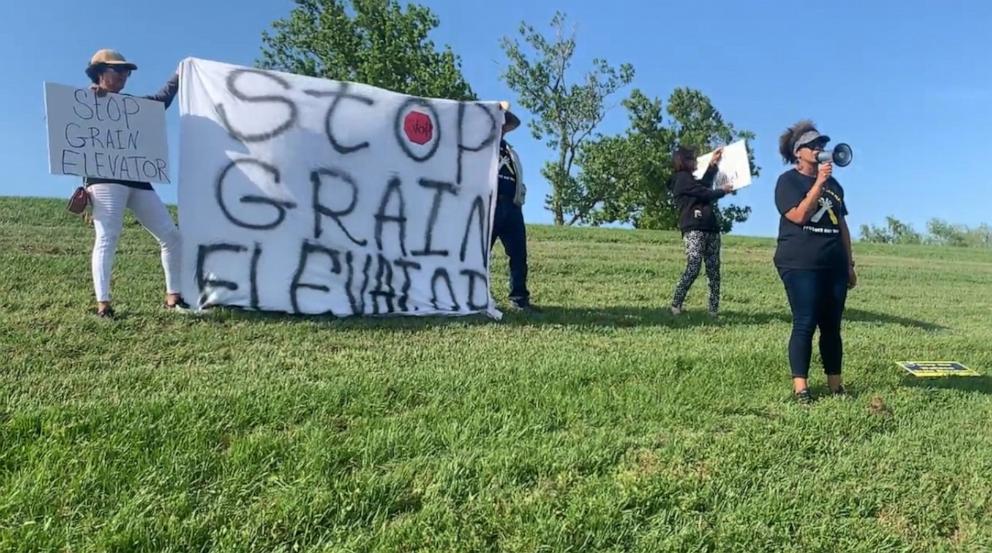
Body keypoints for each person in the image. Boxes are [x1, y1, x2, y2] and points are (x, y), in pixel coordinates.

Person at [83, 49, 186, 318]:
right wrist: (89, 97)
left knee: (171, 236)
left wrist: (179, 74)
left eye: (126, 72)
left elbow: (161, 101)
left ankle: (173, 298)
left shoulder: (131, 106)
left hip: (137, 178)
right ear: (100, 73)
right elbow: (65, 131)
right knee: (107, 237)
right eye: (118, 71)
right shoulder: (84, 102)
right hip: (104, 180)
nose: (124, 76)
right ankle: (103, 305)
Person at [774, 120, 857, 404]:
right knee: (805, 322)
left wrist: (849, 264)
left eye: (822, 144)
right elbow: (797, 216)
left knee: (832, 326)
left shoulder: (835, 185)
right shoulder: (788, 181)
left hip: (833, 264)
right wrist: (818, 183)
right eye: (814, 145)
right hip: (800, 264)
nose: (821, 149)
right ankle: (802, 389)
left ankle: (836, 386)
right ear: (799, 152)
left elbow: (842, 225)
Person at [670, 146, 734, 317]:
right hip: (694, 228)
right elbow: (703, 192)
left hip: (710, 227)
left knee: (714, 269)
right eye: (692, 158)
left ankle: (713, 309)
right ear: (684, 161)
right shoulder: (681, 178)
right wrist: (723, 191)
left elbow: (704, 185)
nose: (696, 161)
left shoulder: (690, 179)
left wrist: (713, 165)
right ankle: (676, 303)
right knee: (694, 264)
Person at [490, 101, 534, 311]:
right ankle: (477, 296)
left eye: (504, 123)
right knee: (481, 254)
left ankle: (519, 298)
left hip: (513, 207)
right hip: (489, 206)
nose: (502, 126)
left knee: (519, 256)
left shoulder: (510, 151)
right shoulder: (480, 147)